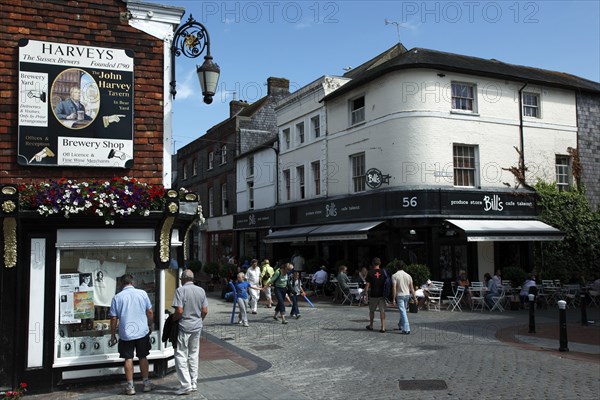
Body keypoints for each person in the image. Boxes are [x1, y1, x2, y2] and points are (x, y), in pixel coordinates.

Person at [109, 274, 154, 395]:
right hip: (142, 331)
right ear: (132, 283)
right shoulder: (142, 294)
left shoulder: (117, 298)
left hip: (126, 333)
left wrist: (113, 335)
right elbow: (149, 311)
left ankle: (130, 386)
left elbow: (114, 318)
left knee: (128, 358)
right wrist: (150, 325)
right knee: (143, 357)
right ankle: (146, 383)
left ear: (121, 284)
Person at [172, 269, 208, 395]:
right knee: (193, 354)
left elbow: (179, 311)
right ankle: (193, 382)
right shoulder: (201, 290)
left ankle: (185, 384)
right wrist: (199, 320)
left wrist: (173, 319)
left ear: (182, 278)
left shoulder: (180, 291)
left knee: (181, 355)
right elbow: (205, 310)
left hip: (184, 326)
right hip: (196, 327)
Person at [364, 257, 387, 333]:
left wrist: (365, 293)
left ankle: (371, 325)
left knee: (372, 310)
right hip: (382, 294)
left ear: (372, 264)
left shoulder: (370, 272)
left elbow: (367, 284)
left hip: (373, 294)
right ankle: (383, 327)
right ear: (380, 263)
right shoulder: (384, 272)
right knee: (382, 311)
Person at [391, 262, 415, 334]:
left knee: (403, 311)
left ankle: (406, 329)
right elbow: (412, 288)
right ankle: (400, 324)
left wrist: (393, 298)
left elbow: (394, 287)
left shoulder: (394, 275)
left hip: (400, 295)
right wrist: (415, 298)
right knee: (403, 310)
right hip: (407, 294)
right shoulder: (408, 276)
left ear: (396, 267)